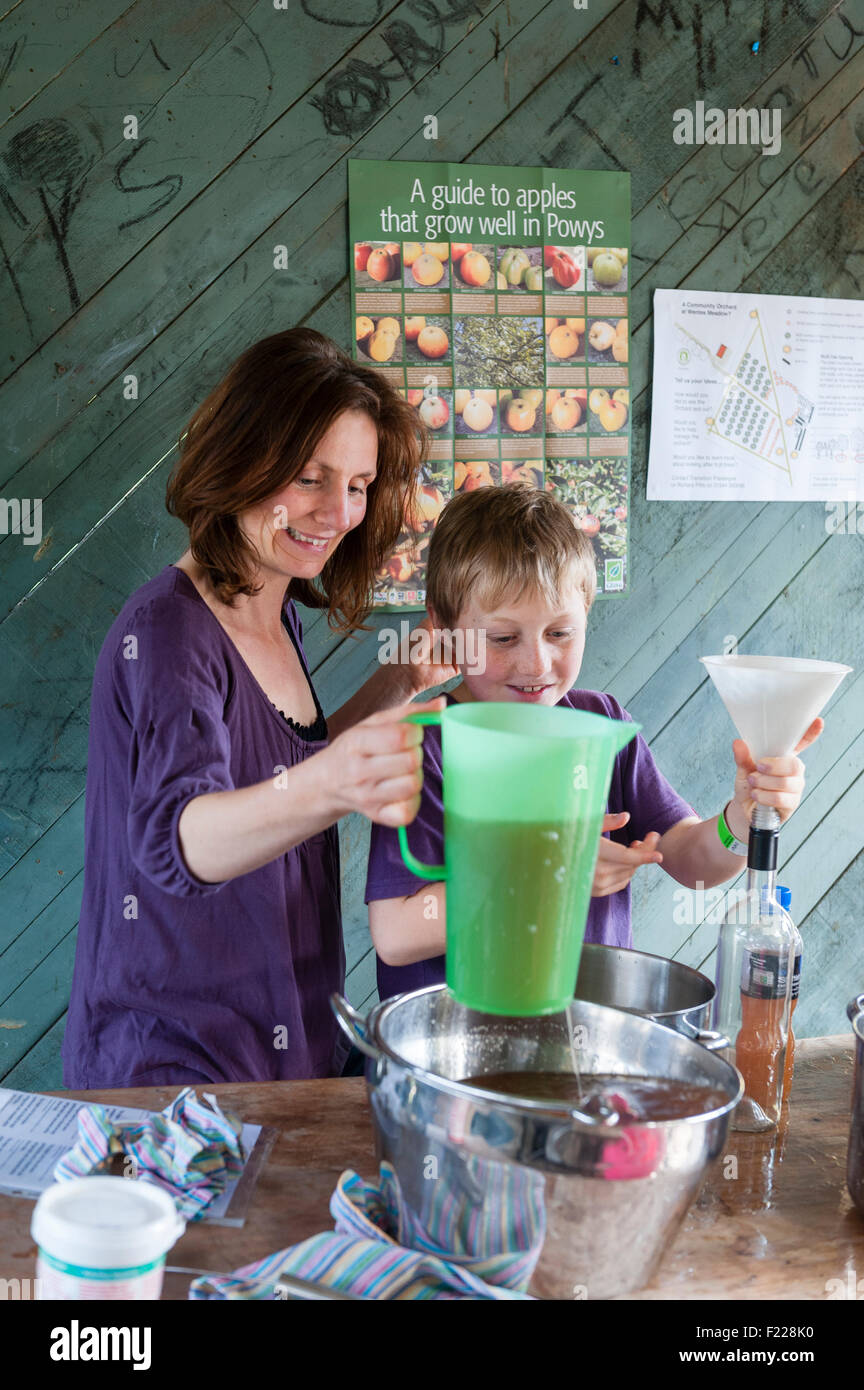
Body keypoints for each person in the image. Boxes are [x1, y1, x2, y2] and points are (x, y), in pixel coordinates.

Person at [62, 327, 456, 1089]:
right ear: (245, 458)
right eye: (310, 478)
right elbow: (182, 841)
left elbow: (277, 777)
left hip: (283, 1047)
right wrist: (333, 784)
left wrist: (399, 681)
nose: (338, 511)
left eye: (359, 484)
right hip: (174, 1068)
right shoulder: (170, 630)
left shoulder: (274, 613)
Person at [365, 486, 822, 999]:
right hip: (456, 1054)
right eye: (503, 638)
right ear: (447, 628)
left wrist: (743, 818)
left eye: (560, 633)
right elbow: (397, 935)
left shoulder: (602, 723)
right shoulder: (422, 747)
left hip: (588, 1044)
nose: (536, 664)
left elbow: (688, 863)